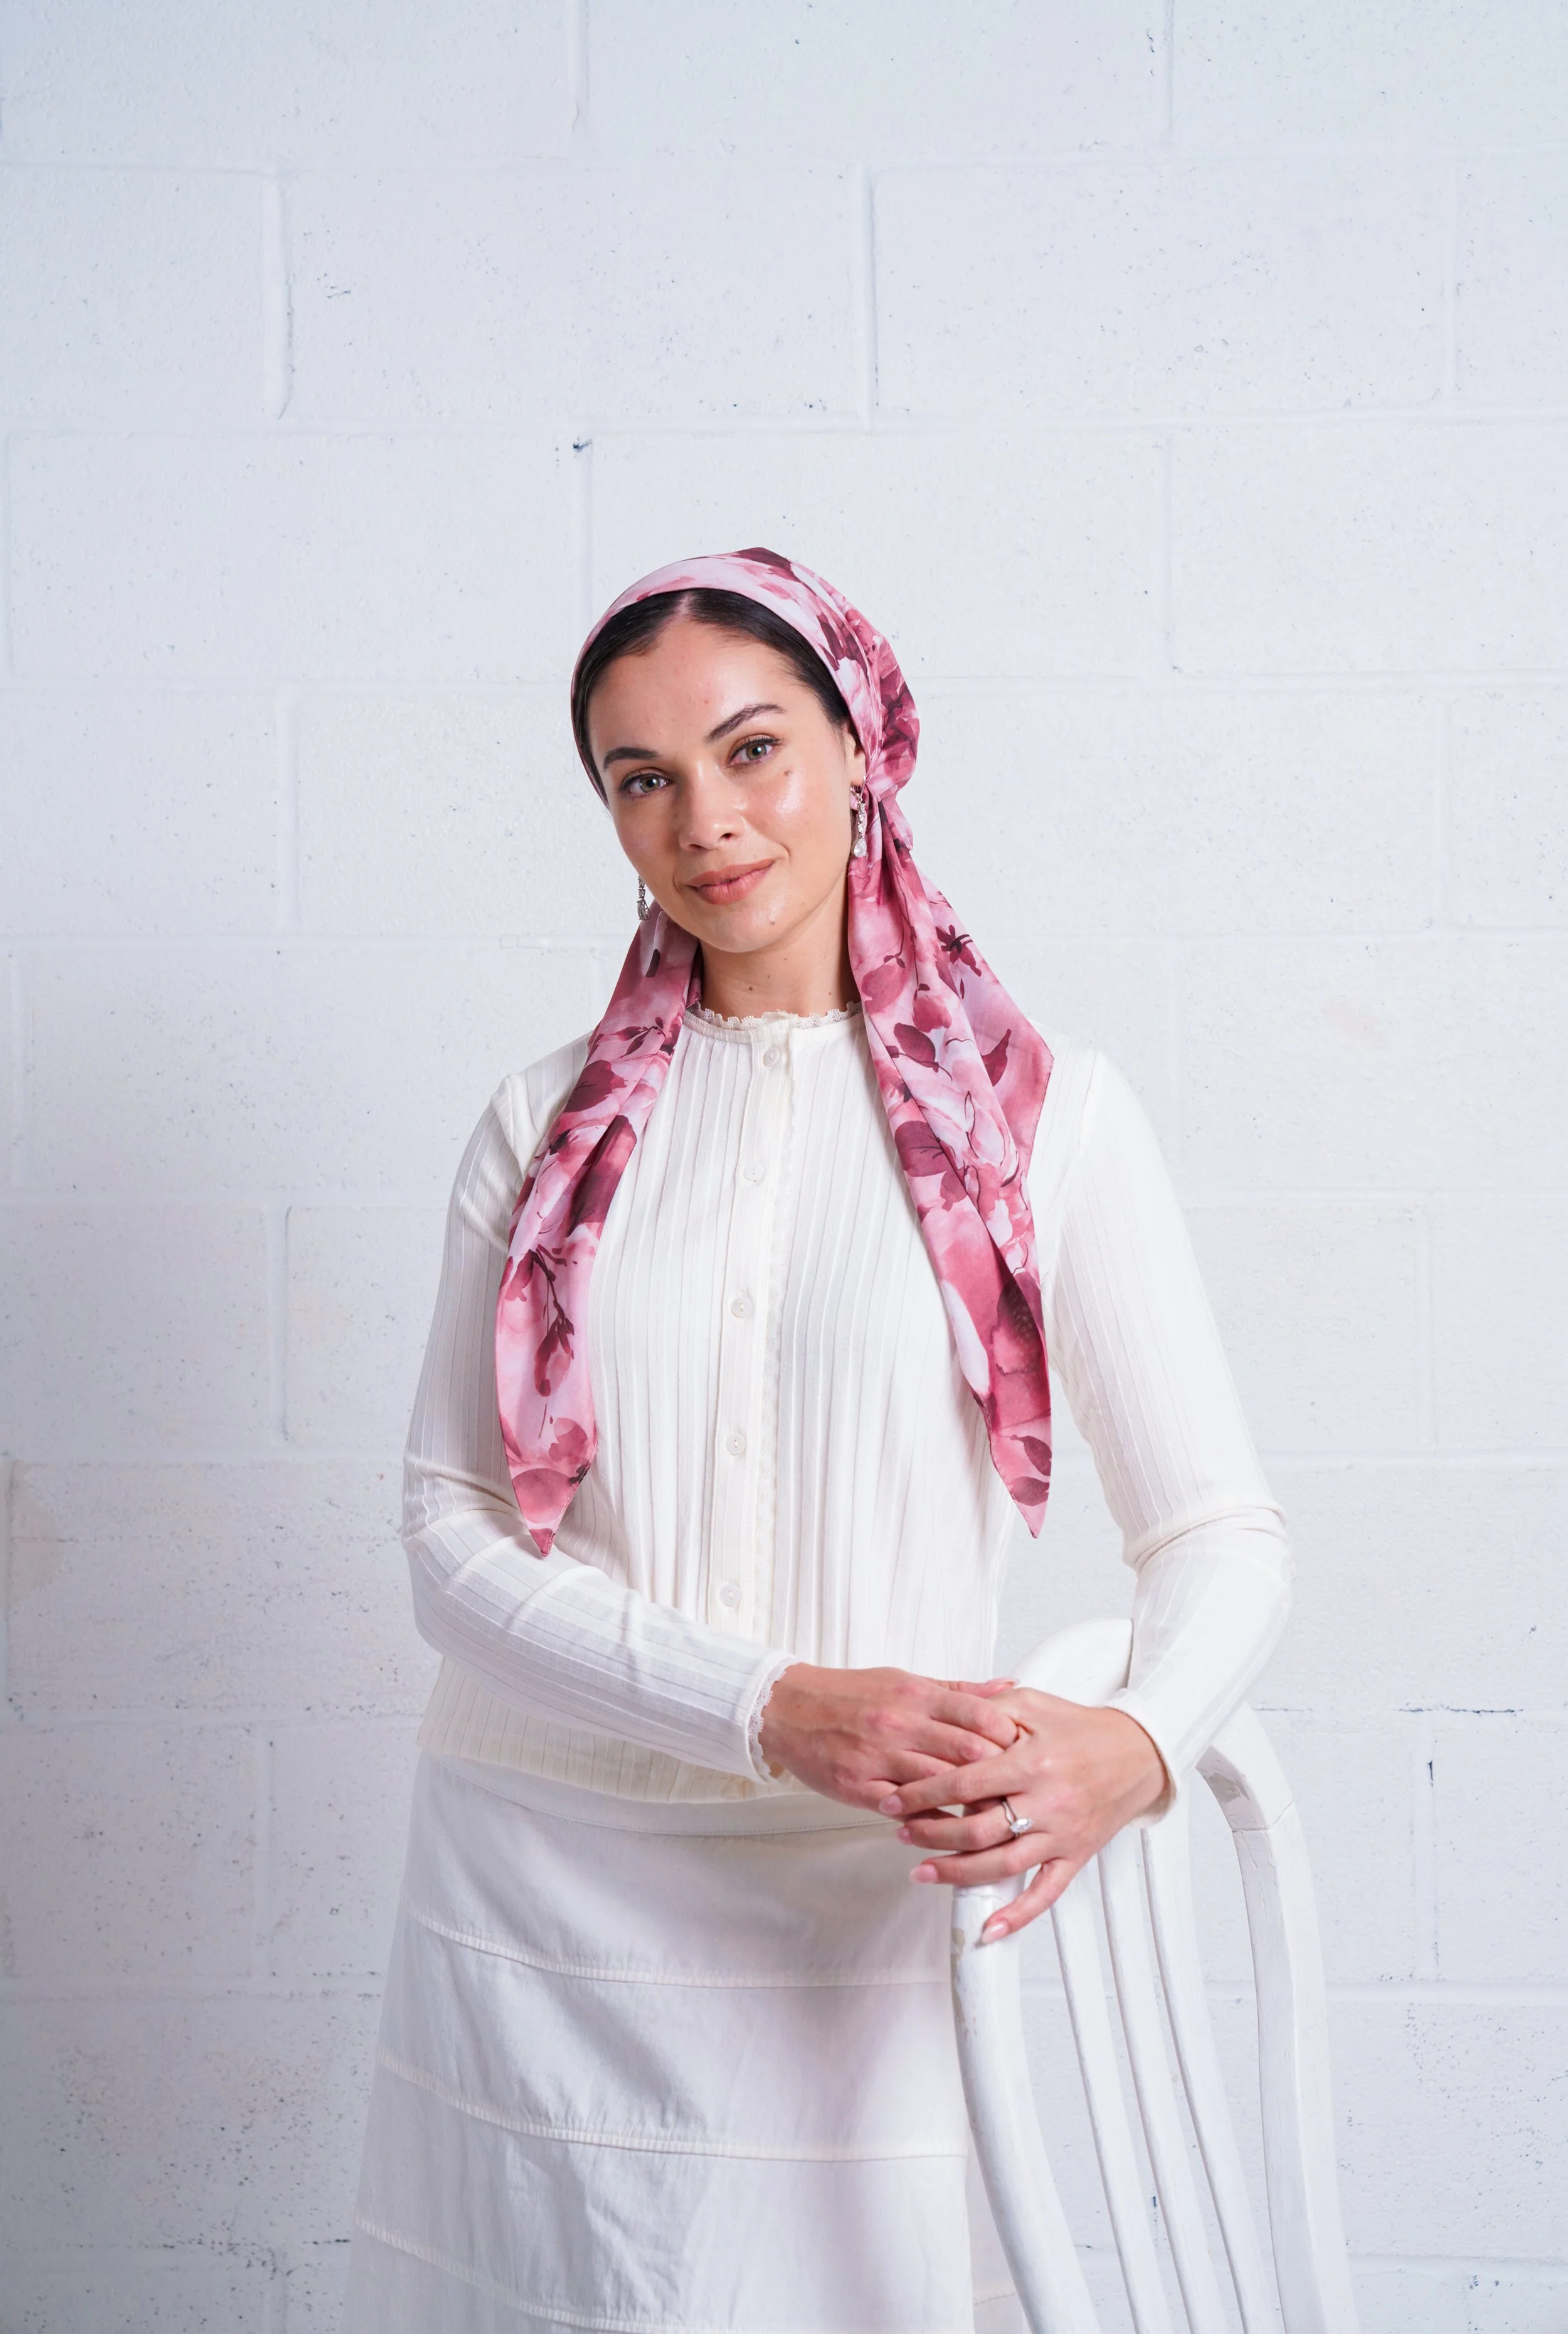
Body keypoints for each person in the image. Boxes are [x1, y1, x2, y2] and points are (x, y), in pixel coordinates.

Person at [340, 549, 1292, 2333]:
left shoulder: (1047, 1123)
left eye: (753, 747)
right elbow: (448, 1539)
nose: (706, 819)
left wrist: (1139, 1741)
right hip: (536, 1884)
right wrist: (767, 1705)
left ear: (864, 746)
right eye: (642, 778)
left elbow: (1221, 1531)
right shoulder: (535, 1122)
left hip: (860, 1907)